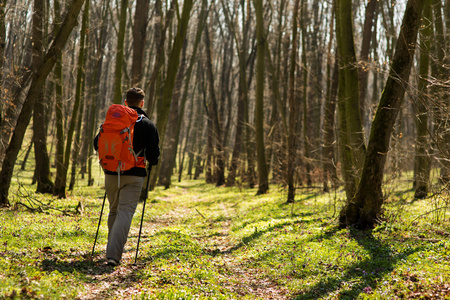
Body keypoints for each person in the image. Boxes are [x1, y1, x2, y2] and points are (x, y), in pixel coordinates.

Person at [94, 87, 160, 266]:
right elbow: (154, 157)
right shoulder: (148, 125)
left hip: (111, 173)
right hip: (135, 175)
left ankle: (110, 251)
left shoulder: (113, 121)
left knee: (114, 210)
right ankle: (113, 256)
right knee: (125, 212)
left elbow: (96, 144)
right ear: (142, 103)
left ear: (125, 102)